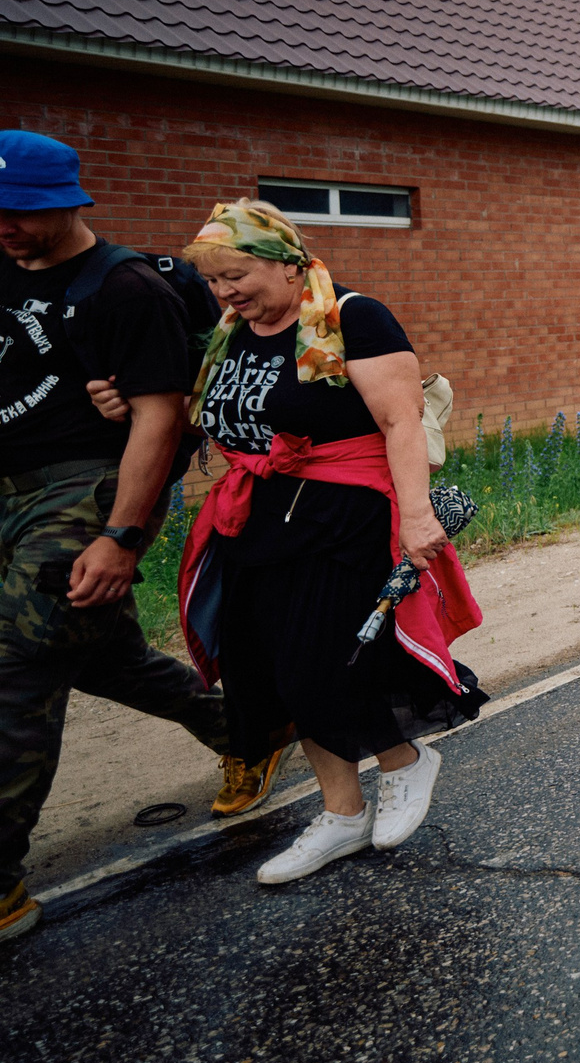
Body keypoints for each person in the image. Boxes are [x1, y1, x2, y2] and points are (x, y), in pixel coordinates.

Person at [172, 201, 487, 885]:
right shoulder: (231, 330)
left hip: (343, 517)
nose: (225, 291)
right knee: (278, 672)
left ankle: (404, 764)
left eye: (237, 273)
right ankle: (341, 816)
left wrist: (414, 517)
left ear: (285, 262)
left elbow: (400, 420)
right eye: (215, 280)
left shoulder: (354, 317)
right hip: (256, 518)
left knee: (332, 661)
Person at [0, 134, 252, 942]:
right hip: (7, 491)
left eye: (24, 212)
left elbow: (157, 419)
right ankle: (245, 726)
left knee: (18, 669)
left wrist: (120, 537)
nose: (7, 226)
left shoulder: (126, 289)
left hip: (83, 493)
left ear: (71, 201)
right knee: (95, 652)